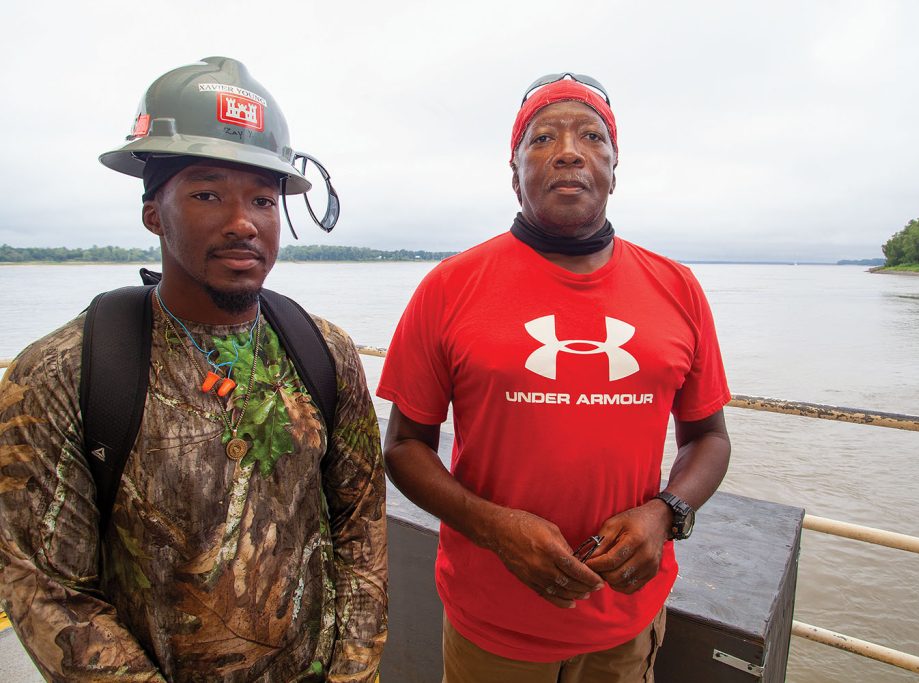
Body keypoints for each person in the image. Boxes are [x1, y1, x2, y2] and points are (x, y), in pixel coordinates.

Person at [0, 57, 386, 682]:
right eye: (208, 194)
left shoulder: (325, 353)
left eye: (262, 199)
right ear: (154, 212)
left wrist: (351, 672)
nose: (243, 222)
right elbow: (48, 590)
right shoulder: (59, 374)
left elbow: (361, 527)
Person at [377, 72, 732, 682]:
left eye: (591, 136)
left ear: (614, 169)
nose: (568, 150)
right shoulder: (450, 286)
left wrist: (667, 511)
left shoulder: (677, 288)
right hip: (492, 625)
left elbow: (708, 437)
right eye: (542, 139)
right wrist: (495, 529)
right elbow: (405, 446)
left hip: (626, 618)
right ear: (513, 174)